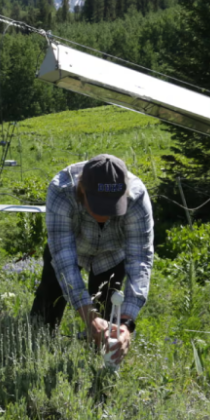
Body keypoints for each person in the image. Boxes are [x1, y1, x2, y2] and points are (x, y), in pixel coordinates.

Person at [30, 154, 154, 365]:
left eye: (113, 207)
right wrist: (88, 316)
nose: (105, 216)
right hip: (70, 248)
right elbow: (63, 258)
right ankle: (34, 351)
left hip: (111, 254)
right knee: (49, 301)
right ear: (82, 190)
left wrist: (126, 324)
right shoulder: (61, 191)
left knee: (109, 319)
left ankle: (95, 367)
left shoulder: (137, 197)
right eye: (99, 206)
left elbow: (140, 259)